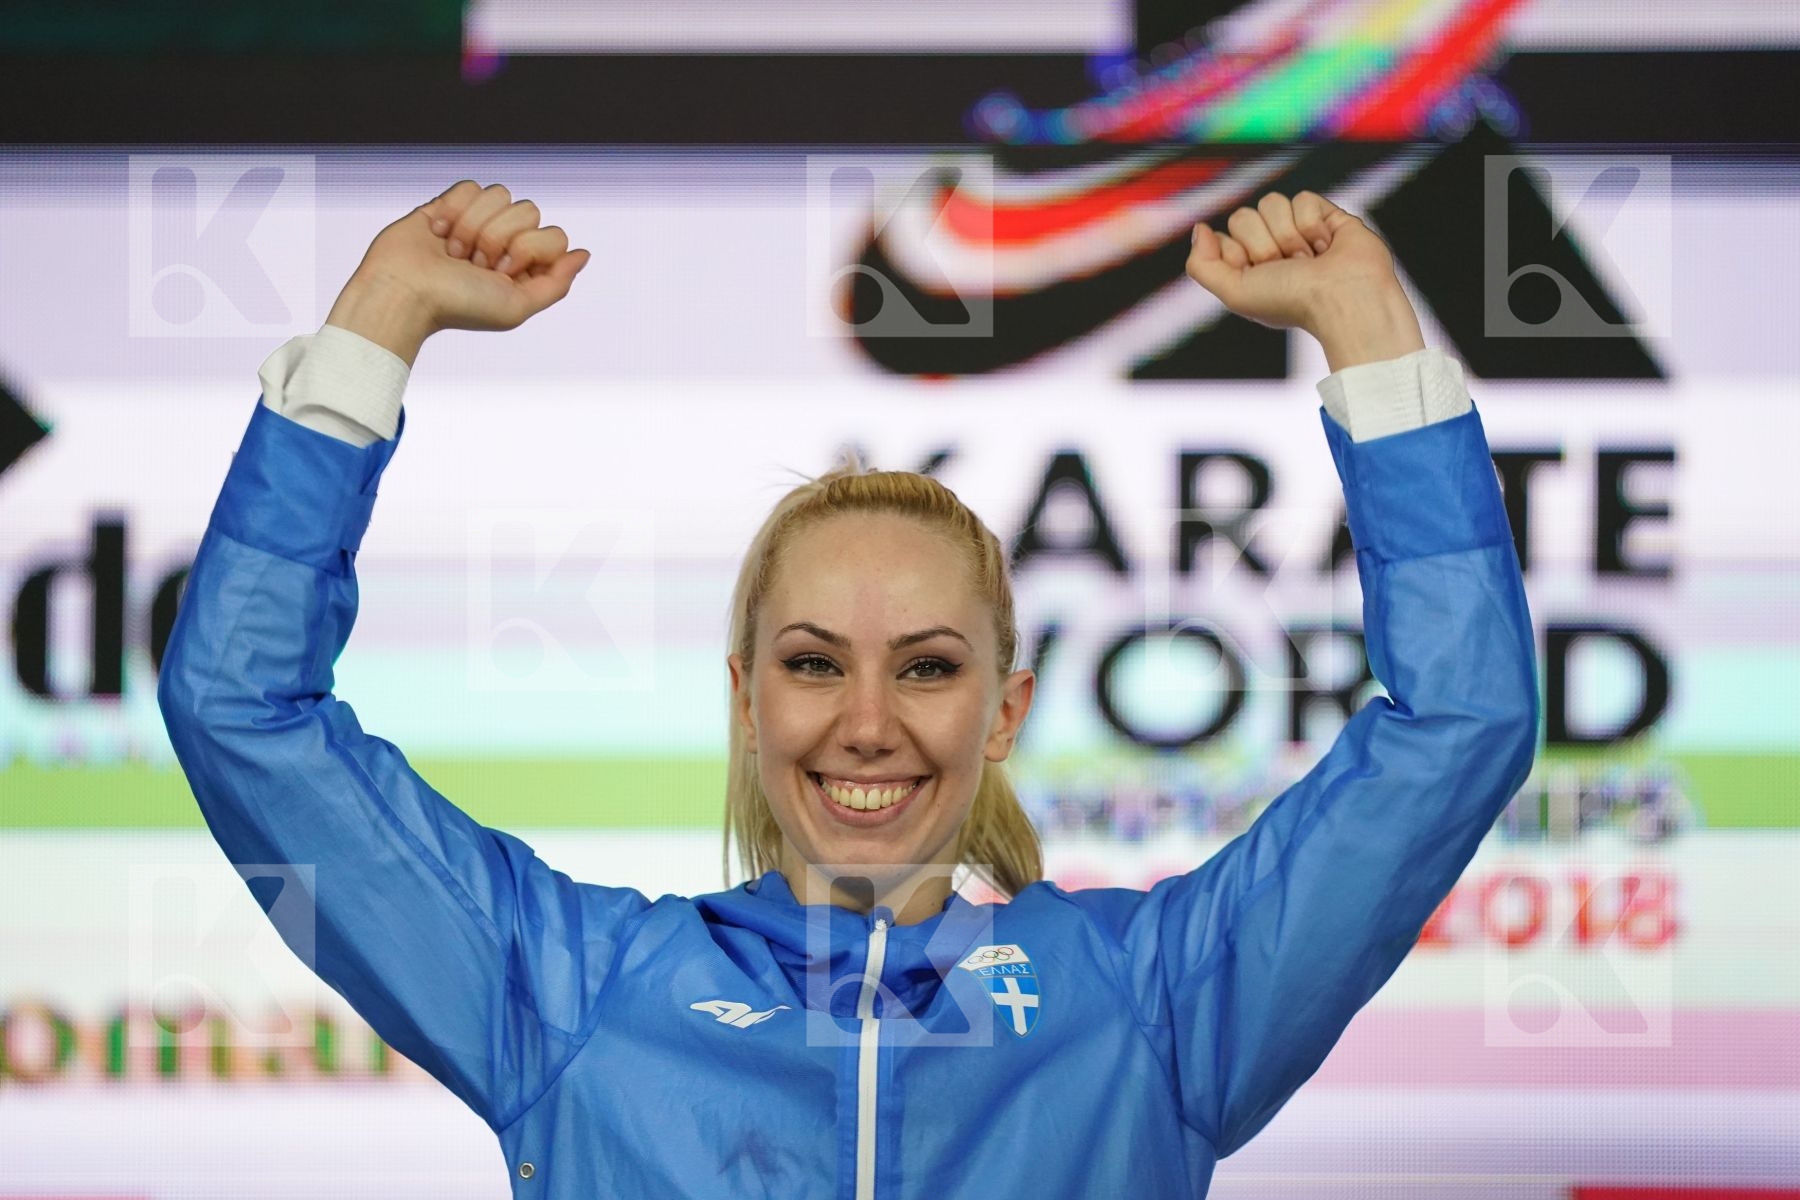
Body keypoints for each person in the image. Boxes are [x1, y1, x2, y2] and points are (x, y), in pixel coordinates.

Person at [158, 180, 1538, 1197]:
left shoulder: (1159, 1006)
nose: (867, 724)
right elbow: (242, 709)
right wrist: (374, 329)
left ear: (1005, 710)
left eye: (928, 670)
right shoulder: (567, 992)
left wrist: (1369, 332)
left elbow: (1460, 725)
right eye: (813, 665)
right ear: (747, 699)